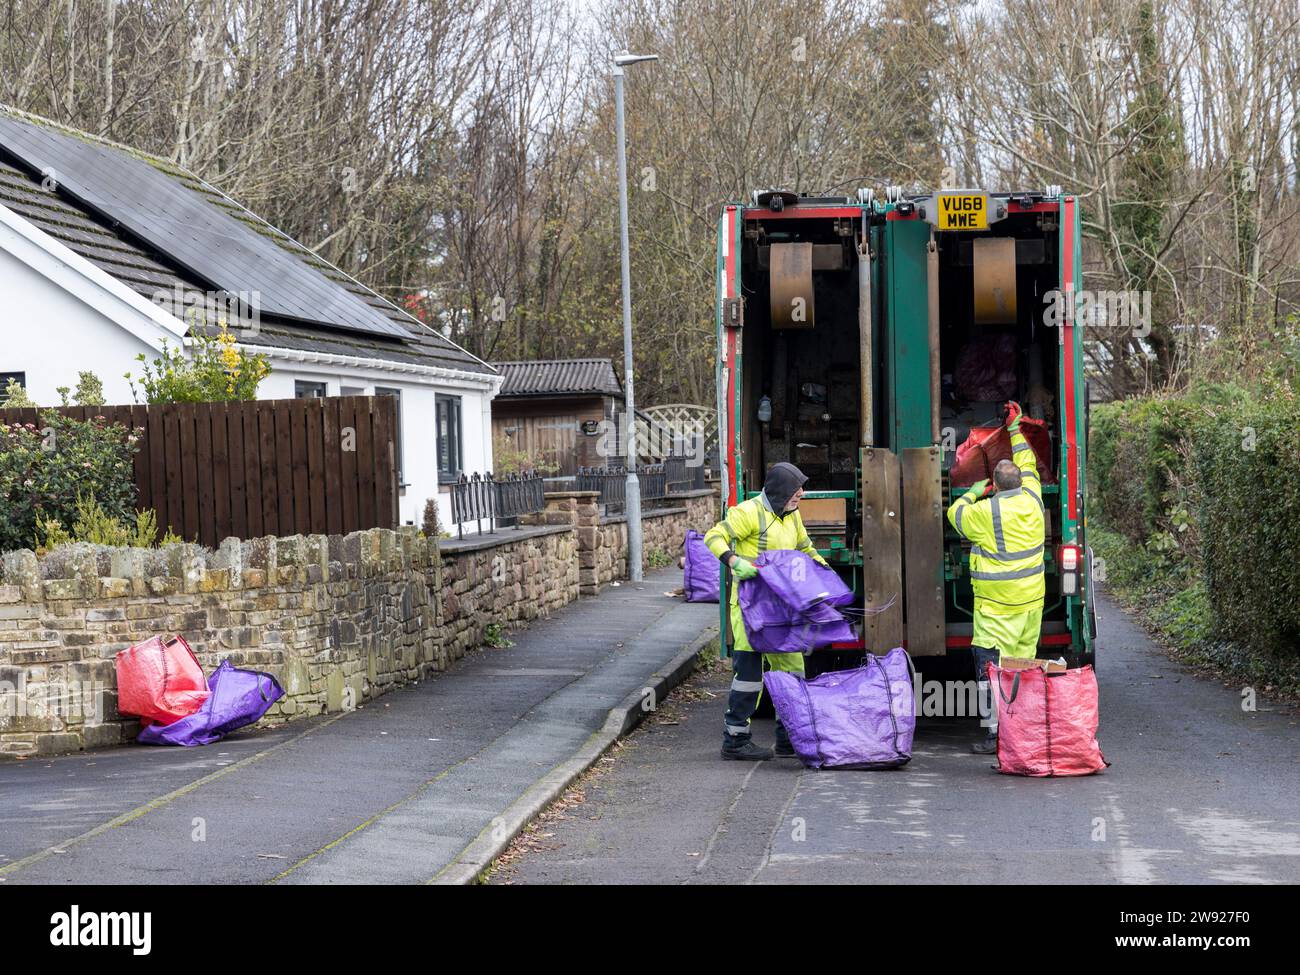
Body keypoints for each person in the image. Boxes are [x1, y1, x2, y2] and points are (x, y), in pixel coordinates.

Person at [704, 462, 829, 761]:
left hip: (781, 608)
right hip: (750, 606)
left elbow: (804, 546)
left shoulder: (792, 515)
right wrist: (734, 562)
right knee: (749, 675)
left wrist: (822, 568)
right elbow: (713, 537)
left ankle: (788, 740)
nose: (801, 493)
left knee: (792, 672)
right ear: (779, 492)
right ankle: (735, 740)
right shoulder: (749, 512)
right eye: (795, 489)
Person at [946, 401, 1046, 755]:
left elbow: (955, 514)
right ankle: (1024, 730)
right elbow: (1029, 461)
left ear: (996, 487)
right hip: (1030, 608)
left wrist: (974, 491)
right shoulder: (1034, 498)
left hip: (996, 611)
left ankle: (993, 735)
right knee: (1022, 669)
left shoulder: (986, 513)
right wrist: (1015, 428)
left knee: (991, 673)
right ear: (1020, 482)